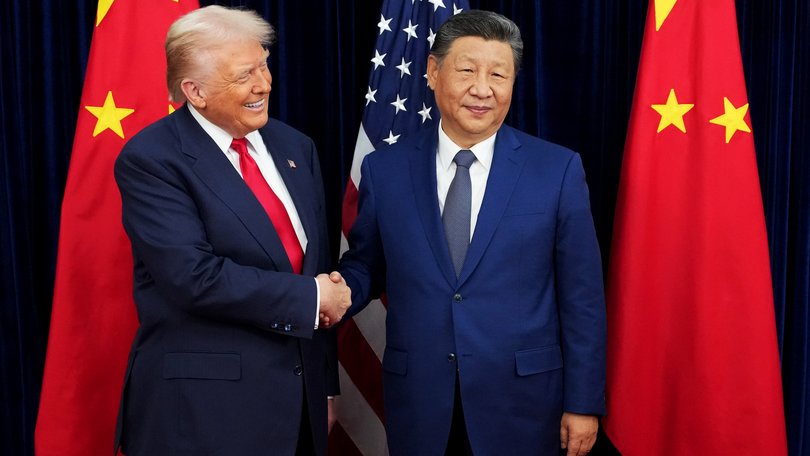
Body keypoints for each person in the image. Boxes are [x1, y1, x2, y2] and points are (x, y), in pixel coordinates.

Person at [339, 10, 606, 456]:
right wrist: (332, 294)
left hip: (523, 405)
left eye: (498, 74)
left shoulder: (556, 170)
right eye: (466, 70)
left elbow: (582, 299)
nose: (482, 89)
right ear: (432, 71)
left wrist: (583, 403)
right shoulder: (384, 169)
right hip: (421, 400)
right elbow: (367, 264)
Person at [113, 6, 349, 455]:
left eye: (263, 64)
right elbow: (192, 277)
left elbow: (315, 266)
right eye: (244, 75)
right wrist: (313, 298)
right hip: (204, 415)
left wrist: (325, 384)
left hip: (298, 408)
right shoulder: (153, 159)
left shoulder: (296, 147)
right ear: (195, 91)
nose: (263, 84)